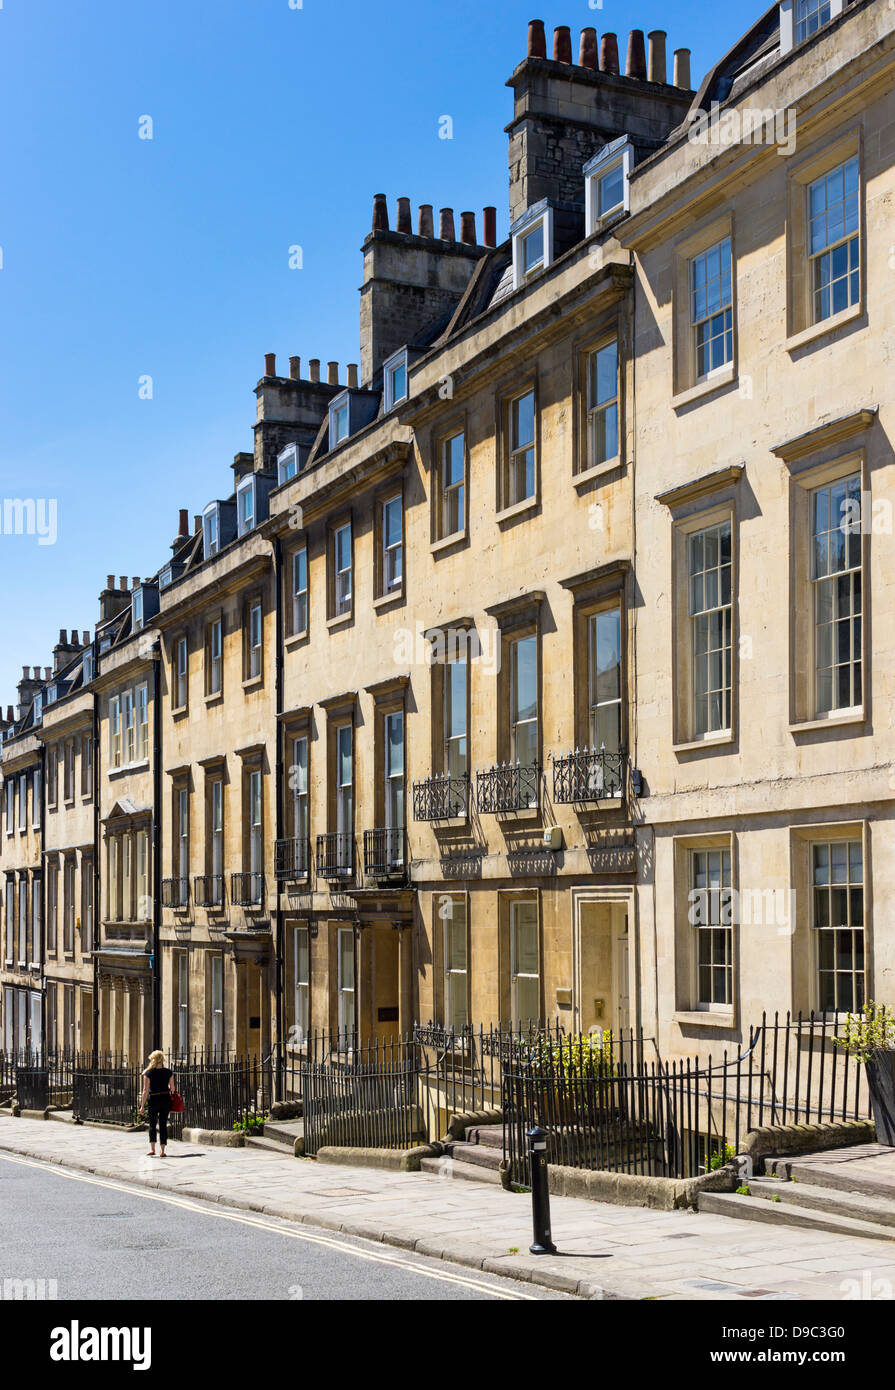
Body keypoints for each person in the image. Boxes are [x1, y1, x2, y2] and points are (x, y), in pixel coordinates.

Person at [140, 1049, 175, 1157]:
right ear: (162, 1060)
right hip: (165, 1099)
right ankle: (163, 1150)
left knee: (152, 1124)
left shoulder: (148, 1073)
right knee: (163, 1124)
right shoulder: (169, 1072)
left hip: (153, 1099)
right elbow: (172, 1089)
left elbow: (145, 1091)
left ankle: (152, 1149)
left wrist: (142, 1106)